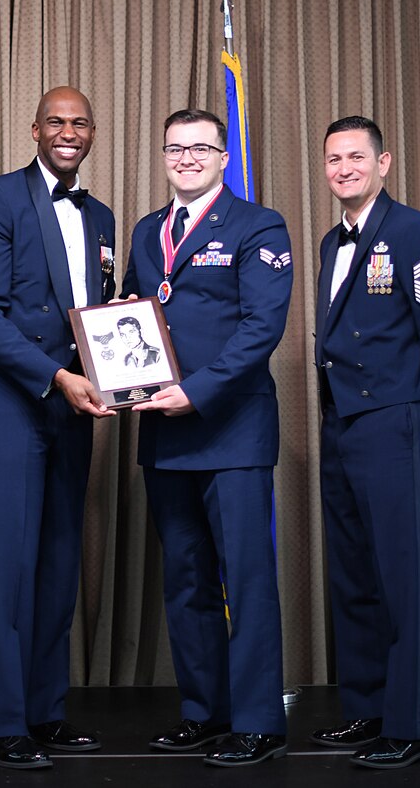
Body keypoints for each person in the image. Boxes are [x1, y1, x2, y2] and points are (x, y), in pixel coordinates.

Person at [120, 108, 293, 767]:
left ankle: (257, 722)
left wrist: (195, 389)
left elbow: (261, 328)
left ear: (224, 157)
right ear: (163, 155)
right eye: (175, 147)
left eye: (200, 148)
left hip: (232, 431)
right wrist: (118, 382)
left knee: (246, 581)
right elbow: (128, 320)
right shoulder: (146, 232)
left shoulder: (258, 226)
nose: (187, 158)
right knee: (185, 580)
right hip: (163, 434)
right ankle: (204, 712)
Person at [0, 86, 116, 770]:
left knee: (57, 563)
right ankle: (4, 722)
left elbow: (104, 317)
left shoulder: (103, 216)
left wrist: (115, 375)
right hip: (11, 404)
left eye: (79, 122)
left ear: (92, 134)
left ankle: (46, 712)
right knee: (10, 564)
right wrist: (56, 377)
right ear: (33, 130)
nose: (68, 131)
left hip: (73, 409)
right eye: (56, 121)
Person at [311, 116, 420, 769]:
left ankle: (408, 725)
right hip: (342, 423)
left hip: (397, 420)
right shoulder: (329, 240)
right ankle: (366, 709)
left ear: (384, 163)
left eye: (355, 156)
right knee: (353, 576)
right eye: (332, 158)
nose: (343, 167)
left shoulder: (413, 232)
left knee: (399, 576)